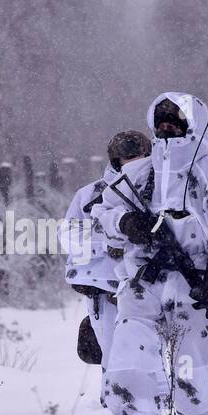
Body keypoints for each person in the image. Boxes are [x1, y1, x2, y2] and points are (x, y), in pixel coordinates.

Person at [93, 93, 208, 415]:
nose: (168, 127)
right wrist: (126, 222)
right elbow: (101, 214)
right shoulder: (138, 174)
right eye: (162, 120)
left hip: (194, 284)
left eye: (177, 121)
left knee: (189, 372)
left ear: (194, 126)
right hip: (143, 283)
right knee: (130, 350)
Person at [63, 131, 151, 398]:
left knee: (153, 356)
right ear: (115, 161)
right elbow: (69, 236)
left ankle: (157, 408)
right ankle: (118, 409)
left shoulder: (163, 193)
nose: (133, 162)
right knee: (113, 356)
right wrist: (110, 236)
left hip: (152, 287)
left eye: (138, 157)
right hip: (106, 289)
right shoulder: (92, 194)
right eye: (127, 158)